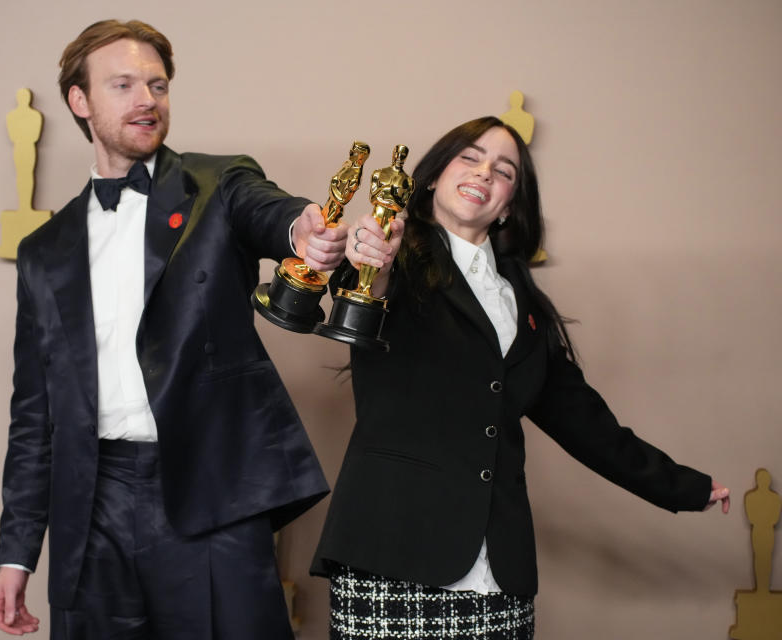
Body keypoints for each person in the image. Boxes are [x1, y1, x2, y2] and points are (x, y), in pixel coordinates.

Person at [0, 19, 348, 639]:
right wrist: (17, 551)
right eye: (123, 84)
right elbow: (33, 412)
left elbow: (272, 212)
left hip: (211, 491)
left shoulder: (219, 183)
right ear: (81, 101)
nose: (146, 100)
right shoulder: (43, 252)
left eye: (157, 85)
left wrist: (302, 230)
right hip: (92, 501)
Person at [310, 116, 731, 640]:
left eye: (503, 170)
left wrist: (685, 486)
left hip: (499, 576)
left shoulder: (523, 303)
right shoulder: (394, 254)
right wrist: (376, 262)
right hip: (393, 553)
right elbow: (362, 290)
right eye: (469, 157)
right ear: (436, 176)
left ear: (510, 203)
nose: (484, 173)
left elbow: (585, 422)